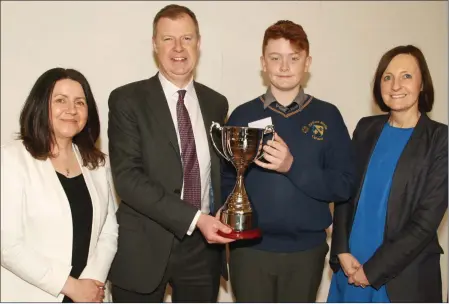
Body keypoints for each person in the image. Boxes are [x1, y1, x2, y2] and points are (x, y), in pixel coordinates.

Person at [221, 20, 356, 302]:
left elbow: (343, 185)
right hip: (249, 250)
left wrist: (291, 166)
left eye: (293, 58)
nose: (284, 67)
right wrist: (223, 213)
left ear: (307, 63)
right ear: (263, 63)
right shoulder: (242, 116)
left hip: (306, 251)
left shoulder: (328, 116)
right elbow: (226, 179)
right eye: (275, 58)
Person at [107, 4, 234, 303]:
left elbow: (222, 171)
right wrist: (195, 218)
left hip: (203, 251)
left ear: (199, 43)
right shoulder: (127, 100)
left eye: (187, 38)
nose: (178, 48)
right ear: (154, 44)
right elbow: (127, 178)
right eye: (168, 39)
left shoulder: (217, 103)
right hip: (144, 248)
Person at [328, 45, 448, 302]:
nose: (395, 85)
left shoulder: (440, 139)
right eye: (387, 77)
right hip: (350, 268)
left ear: (422, 84)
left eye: (406, 76)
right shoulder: (365, 127)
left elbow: (425, 222)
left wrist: (372, 271)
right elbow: (345, 194)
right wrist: (341, 250)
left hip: (401, 277)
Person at [1, 68, 119, 302]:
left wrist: (91, 283)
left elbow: (109, 231)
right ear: (40, 105)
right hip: (33, 294)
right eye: (60, 100)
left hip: (89, 295)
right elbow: (8, 245)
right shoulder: (11, 159)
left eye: (80, 102)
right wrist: (70, 286)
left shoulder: (97, 163)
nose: (71, 110)